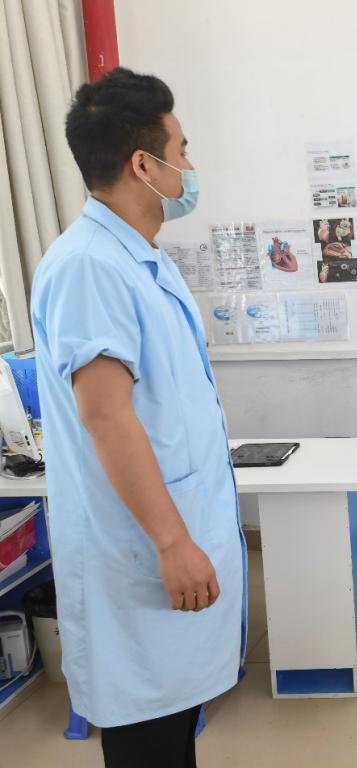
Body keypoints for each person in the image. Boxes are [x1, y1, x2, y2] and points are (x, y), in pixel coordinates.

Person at [31, 68, 245, 767]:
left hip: (168, 537)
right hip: (140, 550)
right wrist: (172, 541)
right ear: (143, 165)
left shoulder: (140, 257)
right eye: (182, 150)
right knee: (148, 740)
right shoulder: (88, 266)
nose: (190, 166)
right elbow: (105, 417)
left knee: (173, 727)